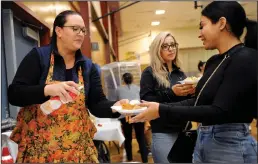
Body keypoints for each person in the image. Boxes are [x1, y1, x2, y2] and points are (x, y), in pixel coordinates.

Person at [131, 2, 257, 163]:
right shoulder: (214, 61)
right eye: (165, 46)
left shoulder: (245, 58)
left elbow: (219, 111)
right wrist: (162, 107)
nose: (199, 33)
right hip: (202, 139)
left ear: (222, 23)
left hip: (228, 145)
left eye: (202, 26)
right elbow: (197, 102)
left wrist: (163, 110)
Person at [8, 10, 127, 163]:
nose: (80, 33)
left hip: (78, 151)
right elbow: (14, 93)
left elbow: (96, 104)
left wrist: (115, 107)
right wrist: (47, 89)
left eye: (83, 30)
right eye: (75, 28)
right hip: (41, 151)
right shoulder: (39, 57)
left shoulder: (87, 66)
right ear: (59, 31)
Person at [140, 32, 195, 163]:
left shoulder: (179, 73)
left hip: (184, 131)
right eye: (165, 46)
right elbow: (146, 101)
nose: (171, 49)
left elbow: (185, 102)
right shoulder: (149, 72)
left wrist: (192, 92)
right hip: (163, 133)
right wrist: (171, 92)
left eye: (173, 45)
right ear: (157, 49)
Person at [116, 73, 148, 163]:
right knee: (141, 137)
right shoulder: (138, 88)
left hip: (125, 115)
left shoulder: (118, 89)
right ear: (133, 79)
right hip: (138, 114)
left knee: (128, 137)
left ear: (123, 80)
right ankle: (145, 160)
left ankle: (129, 158)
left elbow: (117, 102)